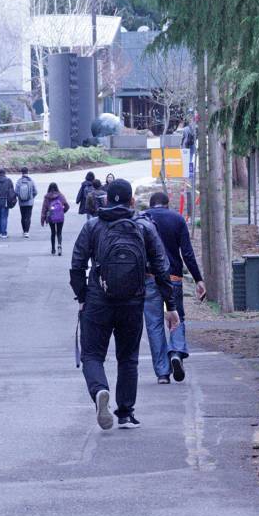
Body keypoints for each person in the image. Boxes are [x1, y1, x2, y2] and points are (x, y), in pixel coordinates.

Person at [70, 178, 179, 430]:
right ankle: (126, 414)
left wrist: (82, 297)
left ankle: (100, 390)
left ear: (106, 199)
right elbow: (162, 268)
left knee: (92, 354)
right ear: (132, 201)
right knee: (128, 358)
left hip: (98, 300)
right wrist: (170, 306)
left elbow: (77, 266)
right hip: (132, 300)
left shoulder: (93, 226)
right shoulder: (144, 226)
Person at [142, 191, 206, 383]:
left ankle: (162, 373)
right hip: (173, 277)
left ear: (151, 204)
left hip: (150, 277)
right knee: (177, 317)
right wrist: (198, 279)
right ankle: (176, 352)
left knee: (154, 323)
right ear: (167, 204)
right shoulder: (177, 219)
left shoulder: (142, 220)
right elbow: (187, 253)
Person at [40, 182, 69, 255]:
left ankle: (53, 249)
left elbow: (44, 208)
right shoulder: (61, 196)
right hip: (60, 216)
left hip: (51, 216)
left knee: (53, 232)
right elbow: (67, 206)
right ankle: (59, 245)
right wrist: (62, 211)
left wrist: (42, 219)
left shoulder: (47, 197)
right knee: (59, 232)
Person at [14, 166, 38, 238]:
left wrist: (20, 197)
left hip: (21, 203)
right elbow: (35, 192)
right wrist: (31, 197)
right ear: (28, 172)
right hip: (30, 203)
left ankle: (24, 231)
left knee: (23, 217)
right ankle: (27, 232)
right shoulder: (31, 181)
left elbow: (16, 192)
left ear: (21, 172)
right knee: (28, 217)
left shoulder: (19, 181)